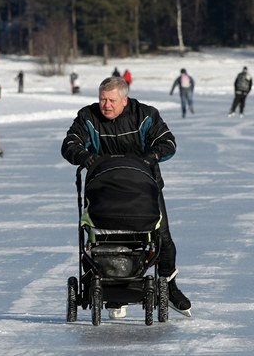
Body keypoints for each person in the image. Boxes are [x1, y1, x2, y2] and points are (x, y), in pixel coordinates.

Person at [61, 76, 191, 319]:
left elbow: (168, 142)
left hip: (143, 189)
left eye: (111, 100)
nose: (106, 105)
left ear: (124, 100)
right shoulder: (88, 117)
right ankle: (103, 282)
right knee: (98, 239)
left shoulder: (145, 115)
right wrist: (85, 157)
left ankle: (170, 287)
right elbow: (69, 143)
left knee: (163, 239)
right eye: (102, 99)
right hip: (103, 191)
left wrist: (151, 157)